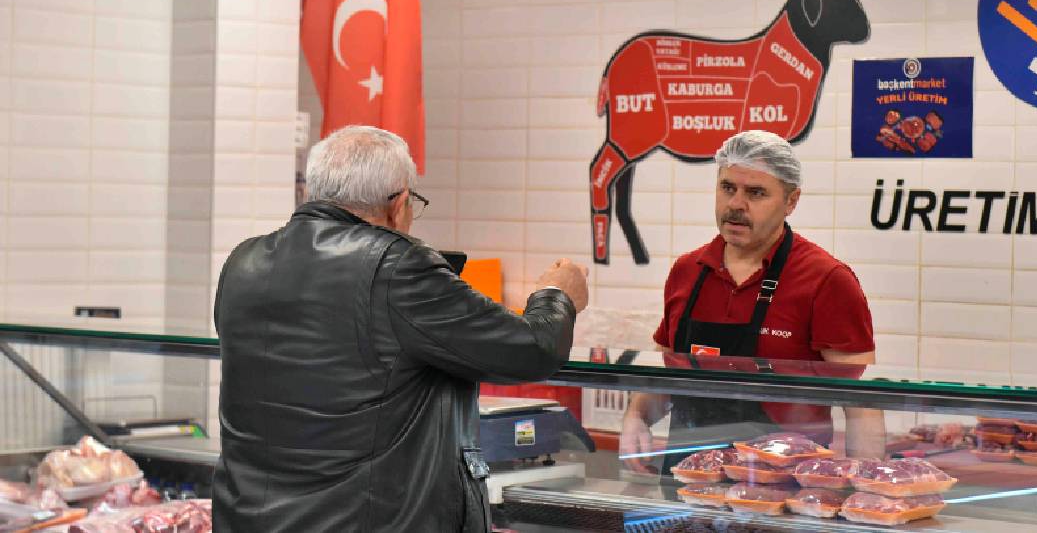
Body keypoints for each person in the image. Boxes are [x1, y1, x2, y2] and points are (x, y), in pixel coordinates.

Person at [212, 125, 589, 532]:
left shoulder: (243, 263)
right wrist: (557, 295)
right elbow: (532, 349)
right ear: (398, 204)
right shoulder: (396, 266)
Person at [620, 130, 884, 473]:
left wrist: (867, 483)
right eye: (728, 187)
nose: (736, 204)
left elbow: (860, 403)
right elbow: (669, 376)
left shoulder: (826, 279)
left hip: (783, 487)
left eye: (756, 193)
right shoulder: (688, 271)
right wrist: (636, 417)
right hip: (687, 481)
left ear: (791, 201)